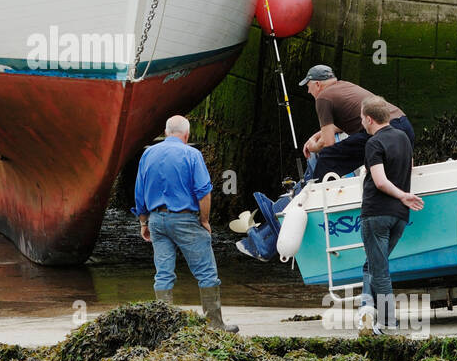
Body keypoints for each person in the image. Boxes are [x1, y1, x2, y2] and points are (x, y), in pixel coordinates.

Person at [236, 65, 414, 261]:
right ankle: (311, 193)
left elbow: (328, 144)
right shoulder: (344, 86)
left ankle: (309, 198)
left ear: (318, 84)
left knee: (328, 157)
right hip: (403, 124)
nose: (307, 90)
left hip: (383, 132)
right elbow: (346, 121)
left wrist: (312, 147)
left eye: (308, 86)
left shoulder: (323, 98)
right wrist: (317, 135)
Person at [134, 115, 236, 331]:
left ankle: (164, 326)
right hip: (185, 219)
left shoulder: (148, 154)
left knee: (163, 273)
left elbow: (139, 192)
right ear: (186, 135)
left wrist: (144, 221)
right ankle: (214, 324)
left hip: (157, 220)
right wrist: (205, 220)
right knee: (206, 272)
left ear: (165, 131)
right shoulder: (192, 154)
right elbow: (203, 192)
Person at [358, 95, 424, 335]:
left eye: (362, 119)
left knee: (380, 270)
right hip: (399, 217)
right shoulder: (404, 138)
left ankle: (387, 322)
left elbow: (380, 181)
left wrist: (400, 195)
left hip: (377, 213)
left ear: (369, 119)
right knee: (373, 264)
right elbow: (409, 167)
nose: (361, 123)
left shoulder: (374, 143)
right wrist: (403, 197)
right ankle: (366, 310)